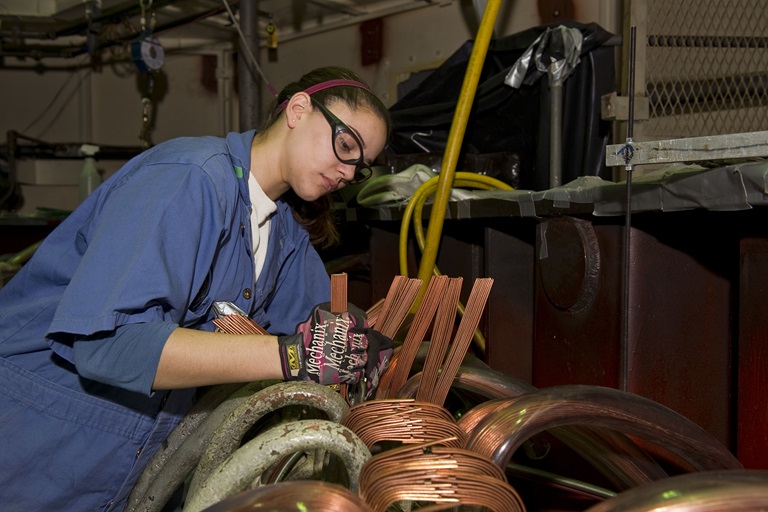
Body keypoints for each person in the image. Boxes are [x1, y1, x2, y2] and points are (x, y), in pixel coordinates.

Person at [0, 66, 393, 511]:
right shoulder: (189, 178)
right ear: (299, 110)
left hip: (119, 467)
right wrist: (291, 356)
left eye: (360, 167)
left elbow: (319, 317)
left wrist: (360, 336)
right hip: (33, 439)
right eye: (345, 145)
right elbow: (106, 345)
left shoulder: (283, 230)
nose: (346, 171)